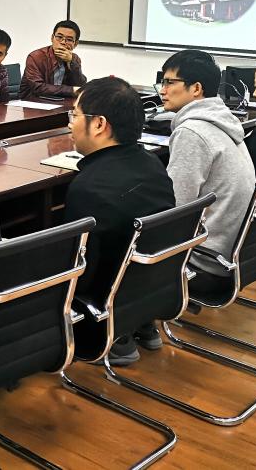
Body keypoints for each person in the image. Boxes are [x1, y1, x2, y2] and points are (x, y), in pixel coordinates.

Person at [64, 77, 175, 366]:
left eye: (75, 115)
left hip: (102, 314)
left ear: (99, 124)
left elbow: (79, 274)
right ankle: (138, 326)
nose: (70, 124)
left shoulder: (89, 187)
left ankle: (117, 338)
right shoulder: (152, 163)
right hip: (152, 293)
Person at [159, 50, 255, 290]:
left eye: (169, 82)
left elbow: (176, 209)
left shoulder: (192, 132)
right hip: (232, 251)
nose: (162, 90)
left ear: (196, 88)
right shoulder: (224, 121)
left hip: (203, 259)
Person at [19, 20, 87, 99]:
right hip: (34, 101)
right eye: (59, 37)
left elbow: (80, 86)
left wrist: (71, 63)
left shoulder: (74, 58)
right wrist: (71, 90)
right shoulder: (36, 57)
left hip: (61, 102)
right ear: (52, 38)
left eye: (69, 39)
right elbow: (38, 87)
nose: (63, 42)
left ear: (75, 44)